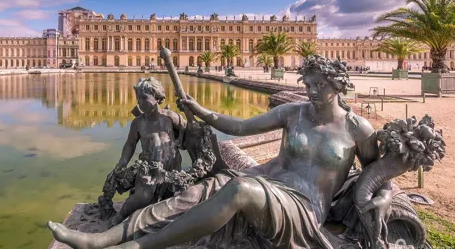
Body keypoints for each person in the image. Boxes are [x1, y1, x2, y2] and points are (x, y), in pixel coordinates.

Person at [47, 55, 392, 249]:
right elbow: (240, 128)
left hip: (302, 207)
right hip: (265, 179)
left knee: (238, 189)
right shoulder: (294, 112)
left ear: (339, 86)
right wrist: (202, 110)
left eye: (322, 86)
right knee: (192, 194)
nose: (313, 91)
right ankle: (101, 239)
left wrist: (386, 195)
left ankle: (138, 247)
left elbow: (377, 174)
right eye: (309, 84)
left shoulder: (357, 128)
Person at [107, 77, 186, 227]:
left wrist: (189, 113)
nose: (140, 102)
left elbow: (188, 131)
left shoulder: (170, 117)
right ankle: (119, 216)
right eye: (138, 99)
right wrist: (122, 162)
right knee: (143, 196)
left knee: (174, 198)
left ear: (157, 97)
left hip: (172, 166)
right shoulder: (138, 122)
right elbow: (130, 145)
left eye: (144, 98)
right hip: (149, 167)